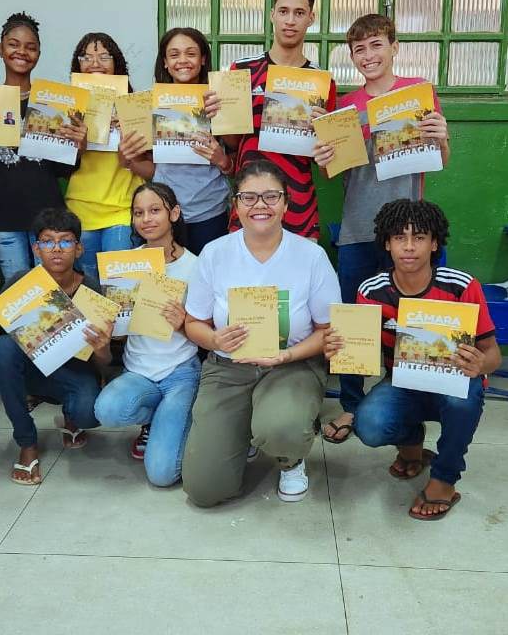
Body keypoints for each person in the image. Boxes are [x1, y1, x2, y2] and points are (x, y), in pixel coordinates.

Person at [314, 14, 451, 444]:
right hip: (358, 225)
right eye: (359, 50)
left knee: (416, 317)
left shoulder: (418, 92)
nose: (368, 56)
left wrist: (442, 136)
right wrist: (325, 153)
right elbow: (338, 174)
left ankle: (411, 399)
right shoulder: (344, 107)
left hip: (410, 228)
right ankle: (353, 405)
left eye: (376, 45)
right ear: (352, 57)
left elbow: (440, 160)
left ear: (394, 47)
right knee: (355, 319)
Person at [324, 200, 500, 520]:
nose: (408, 247)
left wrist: (480, 365)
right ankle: (412, 442)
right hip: (403, 383)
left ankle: (445, 479)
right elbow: (359, 352)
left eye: (419, 237)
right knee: (370, 424)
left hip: (454, 381)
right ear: (387, 243)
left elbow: (492, 353)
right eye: (399, 237)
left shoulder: (461, 286)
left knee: (463, 401)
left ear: (434, 244)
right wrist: (339, 348)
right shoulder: (372, 290)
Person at [181, 160, 340, 507]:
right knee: (204, 491)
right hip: (228, 369)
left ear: (286, 203)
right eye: (249, 197)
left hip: (291, 367)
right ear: (236, 205)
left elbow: (328, 331)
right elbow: (193, 322)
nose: (260, 206)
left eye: (271, 196)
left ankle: (290, 459)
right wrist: (213, 340)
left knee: (280, 428)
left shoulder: (311, 256)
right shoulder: (215, 253)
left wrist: (286, 355)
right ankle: (246, 431)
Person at [0, 208, 110, 485]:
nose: (56, 249)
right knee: (4, 348)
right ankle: (26, 441)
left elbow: (102, 363)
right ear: (36, 248)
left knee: (90, 414)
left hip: (73, 374)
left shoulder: (92, 290)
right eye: (47, 241)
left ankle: (71, 415)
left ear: (79, 249)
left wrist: (102, 349)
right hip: (31, 372)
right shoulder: (22, 283)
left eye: (66, 241)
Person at [0, 13, 87, 280]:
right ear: (0, 48)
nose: (22, 52)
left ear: (39, 54)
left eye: (31, 47)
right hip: (1, 214)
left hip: (47, 216)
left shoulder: (53, 103)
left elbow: (61, 170)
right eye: (13, 44)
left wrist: (76, 146)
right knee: (16, 288)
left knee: (50, 287)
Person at [94, 183, 199, 486]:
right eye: (138, 213)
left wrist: (183, 324)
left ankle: (180, 419)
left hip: (181, 373)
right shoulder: (124, 266)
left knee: (162, 475)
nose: (146, 219)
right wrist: (108, 329)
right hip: (138, 370)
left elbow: (209, 331)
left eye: (155, 210)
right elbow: (117, 334)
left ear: (174, 214)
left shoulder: (196, 266)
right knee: (107, 410)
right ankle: (156, 419)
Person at [224, 0, 337, 241]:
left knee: (296, 283)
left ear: (311, 17)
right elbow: (230, 143)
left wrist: (327, 142)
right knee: (246, 283)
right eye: (284, 11)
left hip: (299, 208)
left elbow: (328, 169)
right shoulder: (240, 71)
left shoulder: (323, 83)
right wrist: (221, 116)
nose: (290, 20)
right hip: (248, 205)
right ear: (272, 14)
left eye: (299, 12)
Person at [65, 32, 154, 280]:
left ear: (117, 63)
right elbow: (55, 165)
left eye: (104, 56)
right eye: (86, 57)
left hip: (122, 210)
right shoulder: (67, 106)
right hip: (80, 210)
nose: (95, 63)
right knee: (89, 288)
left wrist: (129, 136)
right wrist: (77, 144)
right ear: (77, 65)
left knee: (120, 289)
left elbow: (153, 164)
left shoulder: (135, 105)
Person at [152, 27, 231, 255]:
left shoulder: (219, 99)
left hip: (210, 211)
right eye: (174, 54)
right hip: (164, 213)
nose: (183, 61)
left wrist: (222, 160)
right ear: (165, 62)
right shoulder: (150, 103)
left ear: (203, 59)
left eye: (191, 53)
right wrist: (127, 157)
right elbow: (145, 164)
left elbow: (234, 156)